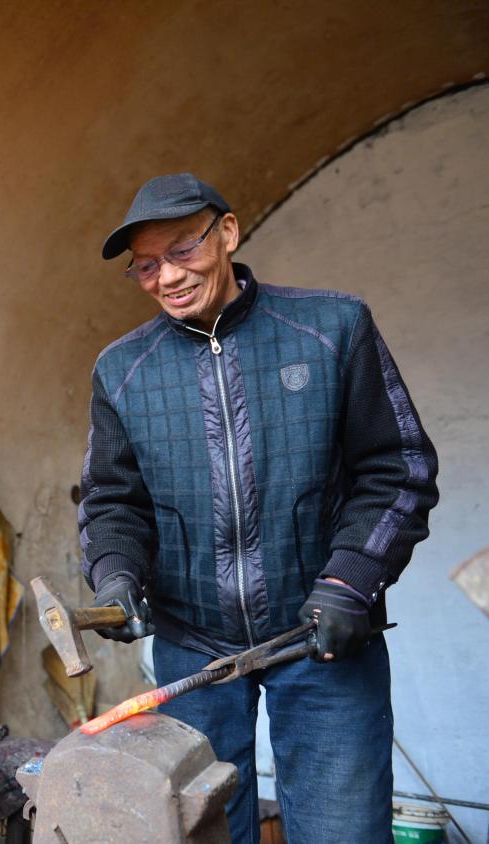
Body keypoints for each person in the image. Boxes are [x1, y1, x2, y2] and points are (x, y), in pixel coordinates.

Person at [78, 173, 438, 843]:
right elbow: (111, 501)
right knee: (200, 831)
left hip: (322, 639)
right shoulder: (122, 368)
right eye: (146, 266)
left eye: (181, 250)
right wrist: (114, 574)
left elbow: (398, 470)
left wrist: (348, 582)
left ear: (228, 233)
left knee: (342, 833)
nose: (165, 277)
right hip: (194, 651)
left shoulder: (331, 327)